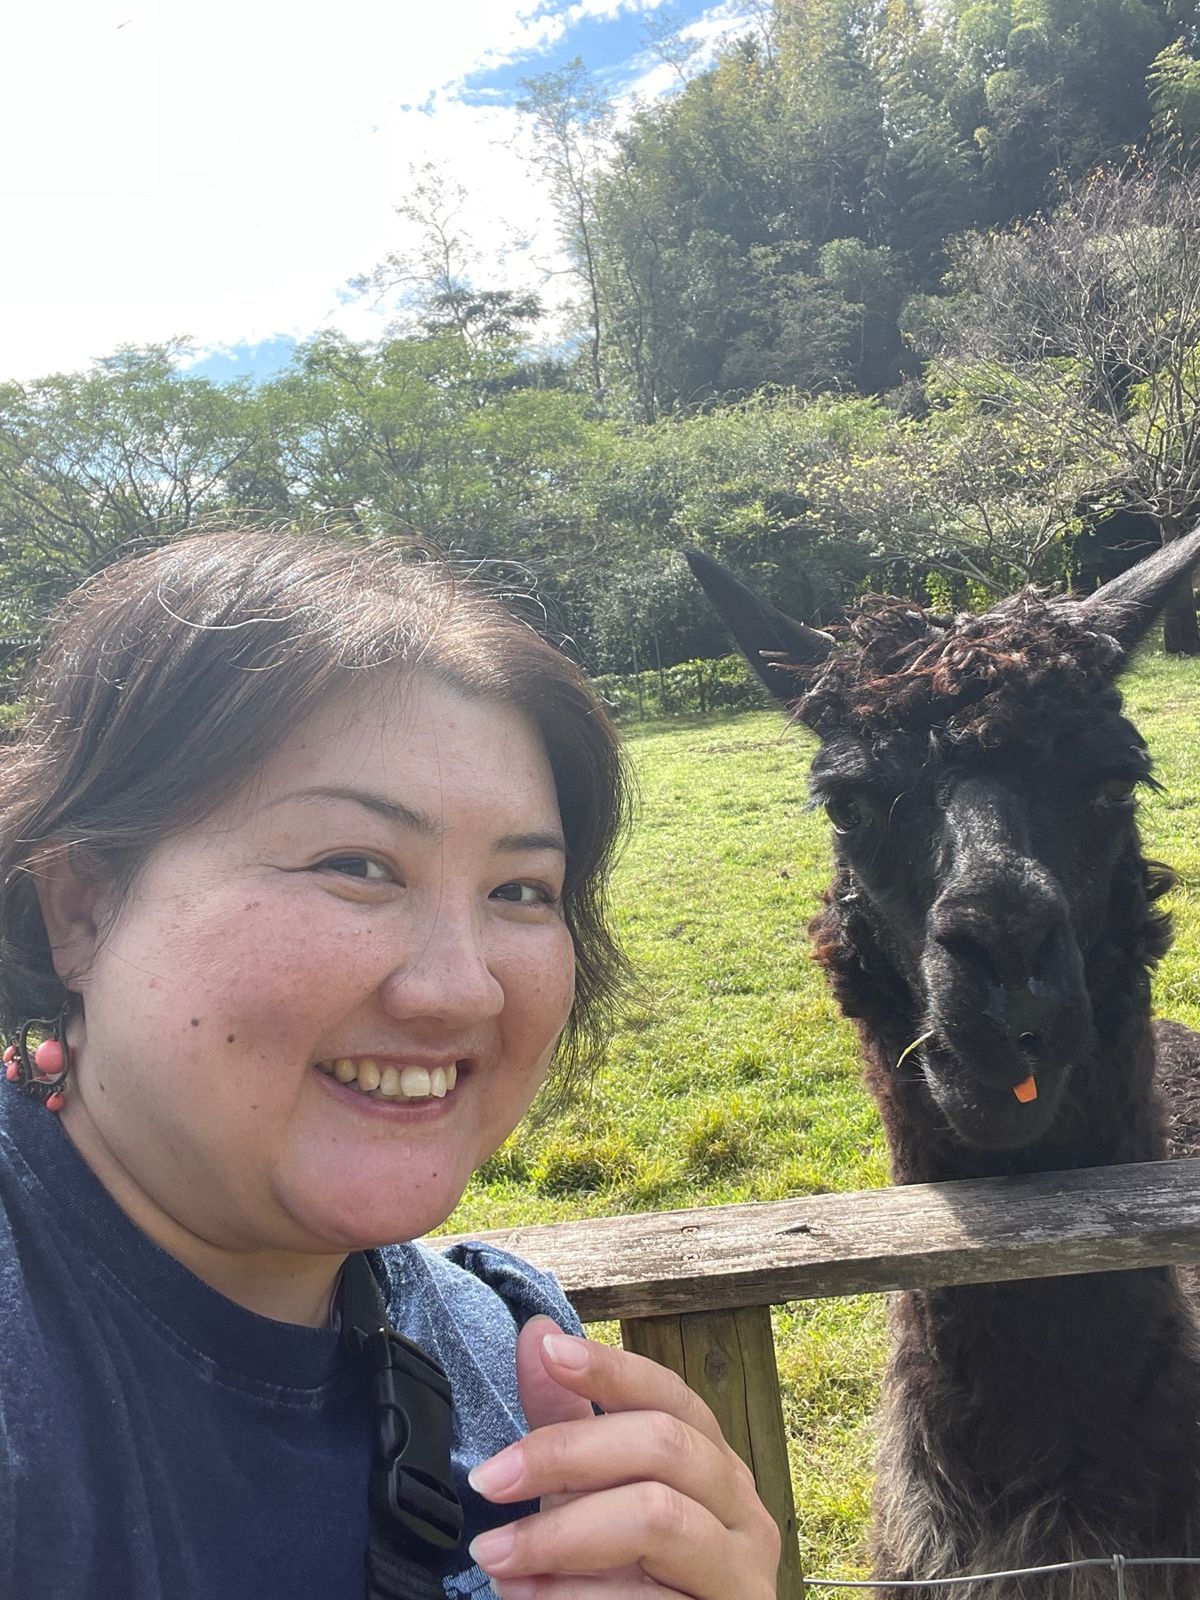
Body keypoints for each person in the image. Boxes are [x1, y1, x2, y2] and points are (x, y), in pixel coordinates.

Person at [0, 529, 780, 1600]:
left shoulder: (507, 1362)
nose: (463, 990)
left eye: (520, 890)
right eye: (356, 865)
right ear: (80, 908)